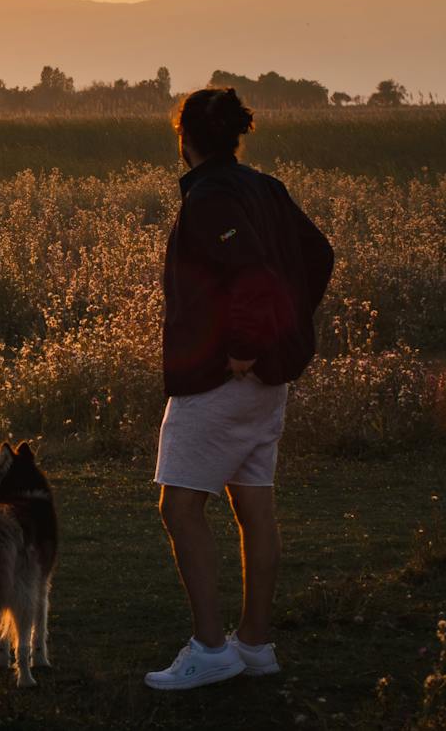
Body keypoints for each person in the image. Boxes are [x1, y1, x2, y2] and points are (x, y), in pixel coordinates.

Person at [144, 87, 334, 691]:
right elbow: (317, 253)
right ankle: (253, 645)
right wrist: (285, 333)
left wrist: (249, 346)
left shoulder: (210, 196)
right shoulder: (264, 188)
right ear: (235, 137)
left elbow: (250, 273)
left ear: (185, 138)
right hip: (263, 384)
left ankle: (209, 648)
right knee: (254, 506)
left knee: (178, 506)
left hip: (219, 380)